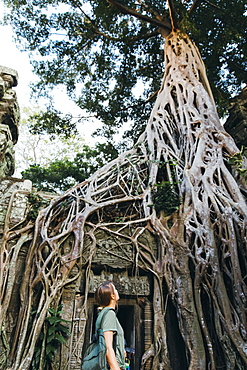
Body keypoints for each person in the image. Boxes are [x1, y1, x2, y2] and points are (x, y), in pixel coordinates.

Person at [95, 282, 125, 370]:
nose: (117, 291)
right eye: (115, 289)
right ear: (112, 296)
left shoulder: (103, 313)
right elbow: (107, 347)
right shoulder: (109, 314)